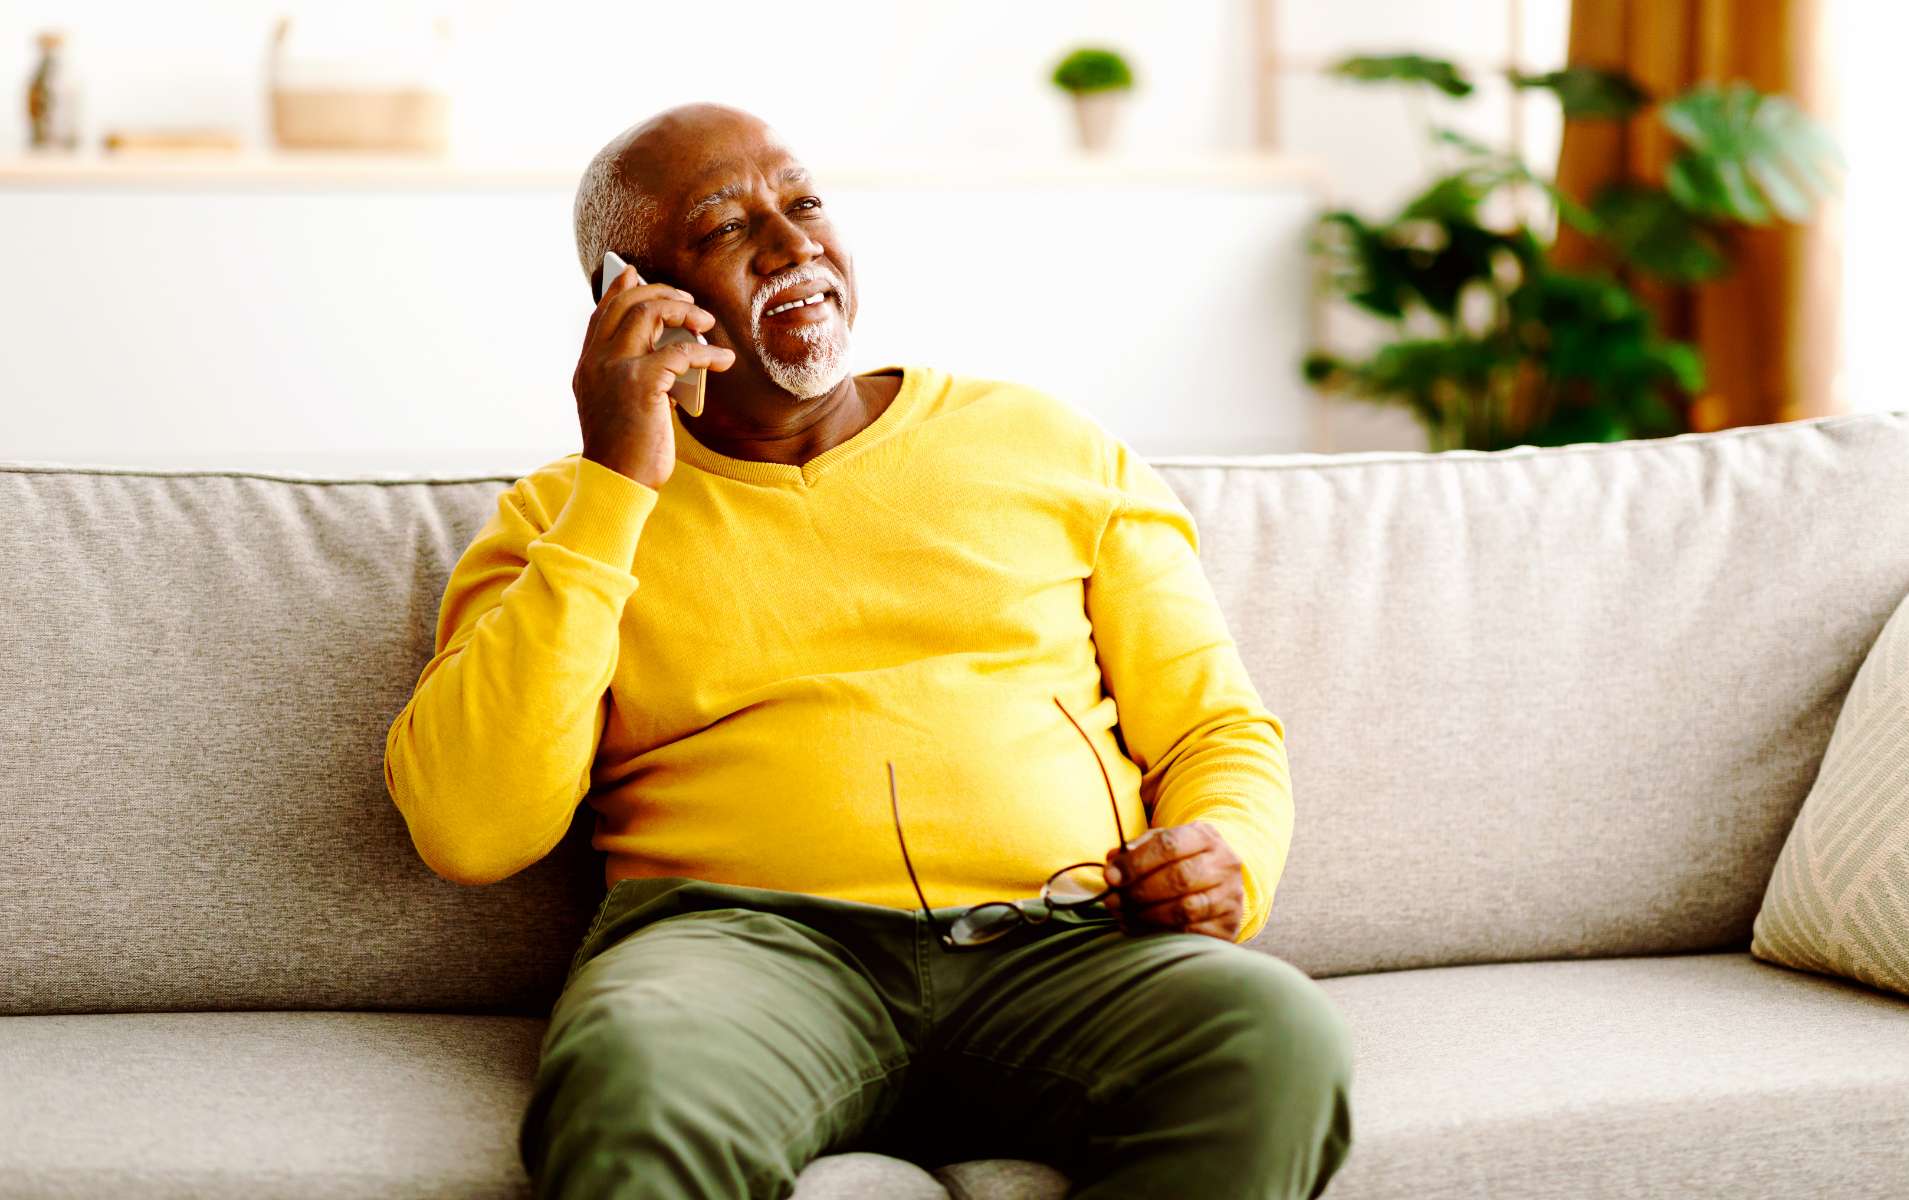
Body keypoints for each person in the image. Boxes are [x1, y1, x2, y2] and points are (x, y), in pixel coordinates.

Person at [383, 101, 1353, 1200]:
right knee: (634, 1083)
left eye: (803, 203)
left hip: (1068, 941)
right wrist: (616, 488)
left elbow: (1216, 728)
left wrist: (1228, 853)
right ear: (630, 297)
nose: (794, 243)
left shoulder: (1047, 445)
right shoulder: (563, 519)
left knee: (1274, 1038)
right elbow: (471, 829)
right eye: (726, 227)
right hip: (740, 961)